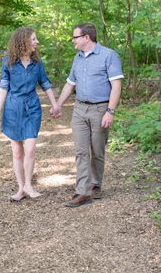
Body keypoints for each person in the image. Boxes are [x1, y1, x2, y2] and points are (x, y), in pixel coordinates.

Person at [51, 23, 123, 208]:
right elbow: (70, 84)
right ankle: (83, 191)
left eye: (75, 37)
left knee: (97, 150)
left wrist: (110, 111)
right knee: (81, 151)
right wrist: (58, 104)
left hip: (100, 109)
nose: (73, 41)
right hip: (79, 109)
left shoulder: (109, 55)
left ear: (86, 38)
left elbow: (116, 85)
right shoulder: (78, 58)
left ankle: (95, 185)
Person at [0, 27, 59, 201]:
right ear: (23, 41)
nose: (37, 42)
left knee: (30, 149)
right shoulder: (8, 61)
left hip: (32, 108)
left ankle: (29, 184)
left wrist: (55, 104)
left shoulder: (37, 62)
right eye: (34, 39)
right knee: (17, 152)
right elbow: (3, 86)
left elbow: (45, 83)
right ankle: (21, 188)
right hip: (13, 109)